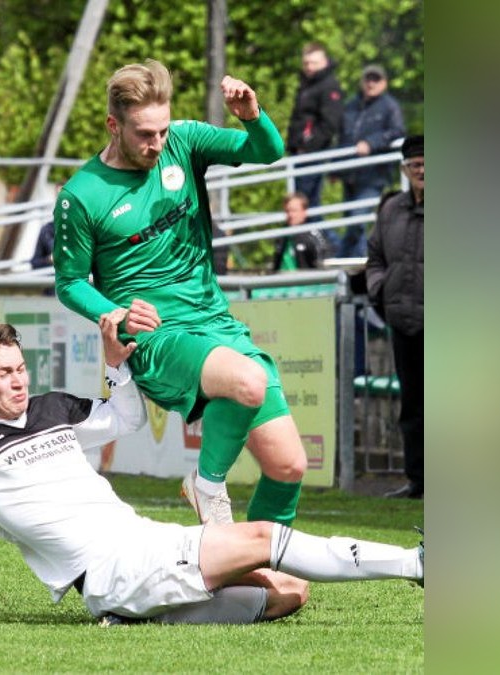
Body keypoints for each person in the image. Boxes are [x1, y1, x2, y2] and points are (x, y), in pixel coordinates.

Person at [0, 318, 424, 624]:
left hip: (145, 540)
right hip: (113, 567)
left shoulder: (51, 409)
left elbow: (125, 419)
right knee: (262, 537)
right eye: (3, 373)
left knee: (289, 591)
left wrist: (116, 365)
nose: (19, 381)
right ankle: (417, 564)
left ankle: (134, 614)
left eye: (20, 368)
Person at [53, 59, 308, 527]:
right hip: (157, 339)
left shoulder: (184, 142)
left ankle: (256, 575)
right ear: (114, 125)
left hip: (215, 322)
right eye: (144, 134)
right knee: (248, 382)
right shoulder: (81, 194)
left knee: (289, 465)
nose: (157, 143)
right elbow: (68, 283)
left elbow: (268, 151)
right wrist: (118, 313)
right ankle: (206, 485)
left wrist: (252, 115)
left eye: (162, 130)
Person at [365, 135, 424, 499]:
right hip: (403, 321)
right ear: (405, 169)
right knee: (413, 405)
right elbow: (374, 258)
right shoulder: (390, 210)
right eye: (415, 165)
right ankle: (418, 480)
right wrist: (379, 289)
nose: (422, 170)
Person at [335, 64, 406, 258]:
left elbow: (398, 131)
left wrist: (371, 143)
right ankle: (359, 266)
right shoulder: (351, 105)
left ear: (384, 83)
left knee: (357, 221)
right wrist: (335, 169)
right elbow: (343, 138)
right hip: (350, 174)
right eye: (368, 79)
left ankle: (342, 258)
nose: (371, 83)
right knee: (351, 221)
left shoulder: (389, 106)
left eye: (376, 79)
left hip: (373, 174)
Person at [285, 42, 344, 223]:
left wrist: (307, 145)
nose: (309, 67)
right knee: (304, 206)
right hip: (300, 154)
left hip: (311, 155)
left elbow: (330, 124)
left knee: (307, 207)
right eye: (306, 63)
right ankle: (315, 247)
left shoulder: (328, 86)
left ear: (324, 62)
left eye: (314, 63)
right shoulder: (307, 85)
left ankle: (327, 246)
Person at [272, 192, 328, 272]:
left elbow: (322, 260)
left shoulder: (313, 235)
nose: (290, 215)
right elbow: (276, 264)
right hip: (282, 281)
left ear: (304, 212)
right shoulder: (282, 236)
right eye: (287, 211)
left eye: (294, 211)